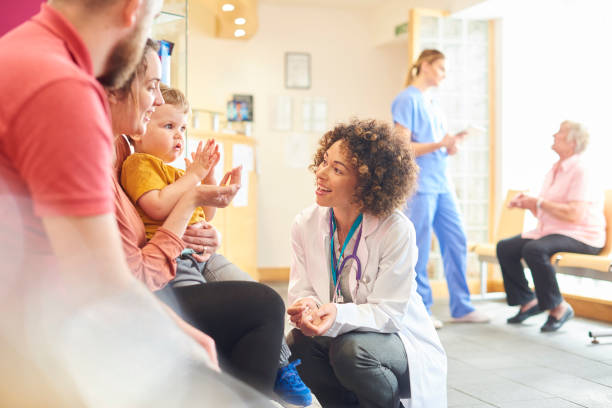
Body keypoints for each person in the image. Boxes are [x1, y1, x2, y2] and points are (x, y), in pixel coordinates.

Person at [0, 1, 276, 405]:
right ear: (133, 10)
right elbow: (101, 284)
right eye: (151, 87)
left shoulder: (24, 51)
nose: (153, 100)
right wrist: (182, 337)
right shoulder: (64, 88)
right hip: (39, 344)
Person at [108, 45, 310, 404]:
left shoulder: (174, 170)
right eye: (168, 126)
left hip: (197, 254)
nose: (177, 135)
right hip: (171, 266)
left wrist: (217, 187)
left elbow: (204, 215)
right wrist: (197, 179)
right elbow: (157, 206)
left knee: (256, 290)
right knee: (254, 305)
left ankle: (282, 369)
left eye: (181, 127)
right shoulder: (138, 164)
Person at [286, 119, 447, 408]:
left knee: (352, 350)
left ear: (366, 183)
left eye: (337, 170)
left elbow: (388, 313)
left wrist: (336, 314)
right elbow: (303, 288)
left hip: (396, 343)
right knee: (299, 345)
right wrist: (307, 306)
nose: (321, 174)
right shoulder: (306, 223)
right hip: (344, 339)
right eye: (324, 162)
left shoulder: (395, 229)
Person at [391, 49, 489, 328]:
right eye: (441, 68)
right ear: (425, 66)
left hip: (442, 183)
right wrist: (439, 144)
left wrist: (451, 145)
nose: (445, 74)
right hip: (420, 185)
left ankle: (462, 306)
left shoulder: (433, 103)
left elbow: (437, 144)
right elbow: (402, 146)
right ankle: (422, 309)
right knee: (419, 247)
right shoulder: (406, 99)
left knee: (456, 241)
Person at [496, 121, 604, 332]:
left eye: (560, 133)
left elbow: (575, 214)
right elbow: (550, 210)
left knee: (534, 249)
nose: (554, 135)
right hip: (554, 231)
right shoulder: (555, 170)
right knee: (506, 247)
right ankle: (528, 300)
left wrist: (539, 203)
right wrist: (528, 205)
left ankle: (559, 307)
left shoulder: (581, 170)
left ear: (572, 142)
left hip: (583, 235)